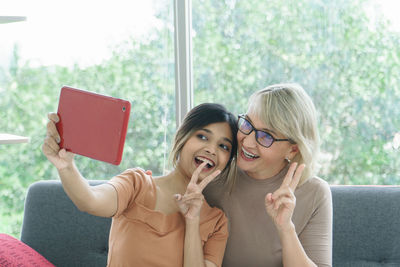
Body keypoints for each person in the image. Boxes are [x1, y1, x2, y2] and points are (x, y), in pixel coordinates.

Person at [42, 103, 238, 267]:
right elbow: (91, 201)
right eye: (202, 136)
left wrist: (192, 221)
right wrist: (66, 166)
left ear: (228, 160)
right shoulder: (137, 184)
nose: (211, 149)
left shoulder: (216, 222)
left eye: (223, 146)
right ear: (182, 138)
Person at [204, 83, 332, 267]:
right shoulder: (215, 177)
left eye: (265, 136)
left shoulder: (314, 192)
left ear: (293, 149)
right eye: (247, 124)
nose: (247, 142)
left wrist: (286, 228)